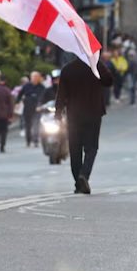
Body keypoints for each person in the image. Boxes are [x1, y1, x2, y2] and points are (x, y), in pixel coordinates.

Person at [55, 57, 114, 194]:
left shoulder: (68, 69)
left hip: (74, 115)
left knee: (75, 149)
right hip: (93, 113)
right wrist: (98, 64)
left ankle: (78, 182)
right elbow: (109, 81)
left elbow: (61, 92)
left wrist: (58, 112)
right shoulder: (95, 66)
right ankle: (84, 175)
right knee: (91, 147)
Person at [18, 71, 46, 147]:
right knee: (28, 125)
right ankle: (28, 140)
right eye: (33, 77)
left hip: (37, 108)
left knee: (36, 125)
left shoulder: (41, 87)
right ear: (31, 78)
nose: (35, 79)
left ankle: (35, 140)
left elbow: (44, 97)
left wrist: (42, 105)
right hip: (27, 108)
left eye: (36, 77)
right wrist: (17, 102)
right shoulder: (26, 86)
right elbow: (20, 94)